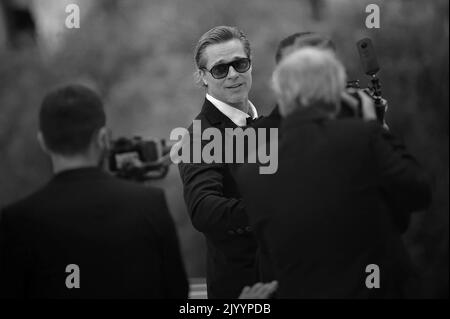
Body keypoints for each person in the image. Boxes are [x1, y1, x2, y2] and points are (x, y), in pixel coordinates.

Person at [236, 48, 431, 298]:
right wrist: (376, 126)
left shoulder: (251, 172)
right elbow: (418, 192)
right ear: (335, 94)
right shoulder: (362, 137)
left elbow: (273, 254)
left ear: (282, 98)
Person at [0, 84, 189, 299]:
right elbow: (177, 292)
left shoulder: (16, 220)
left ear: (43, 142)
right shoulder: (149, 204)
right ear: (102, 138)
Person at [177, 26, 261, 298]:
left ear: (250, 64)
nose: (233, 74)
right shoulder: (198, 136)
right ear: (203, 76)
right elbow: (203, 210)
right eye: (220, 69)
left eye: (240, 63)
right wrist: (271, 208)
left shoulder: (270, 125)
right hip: (240, 292)